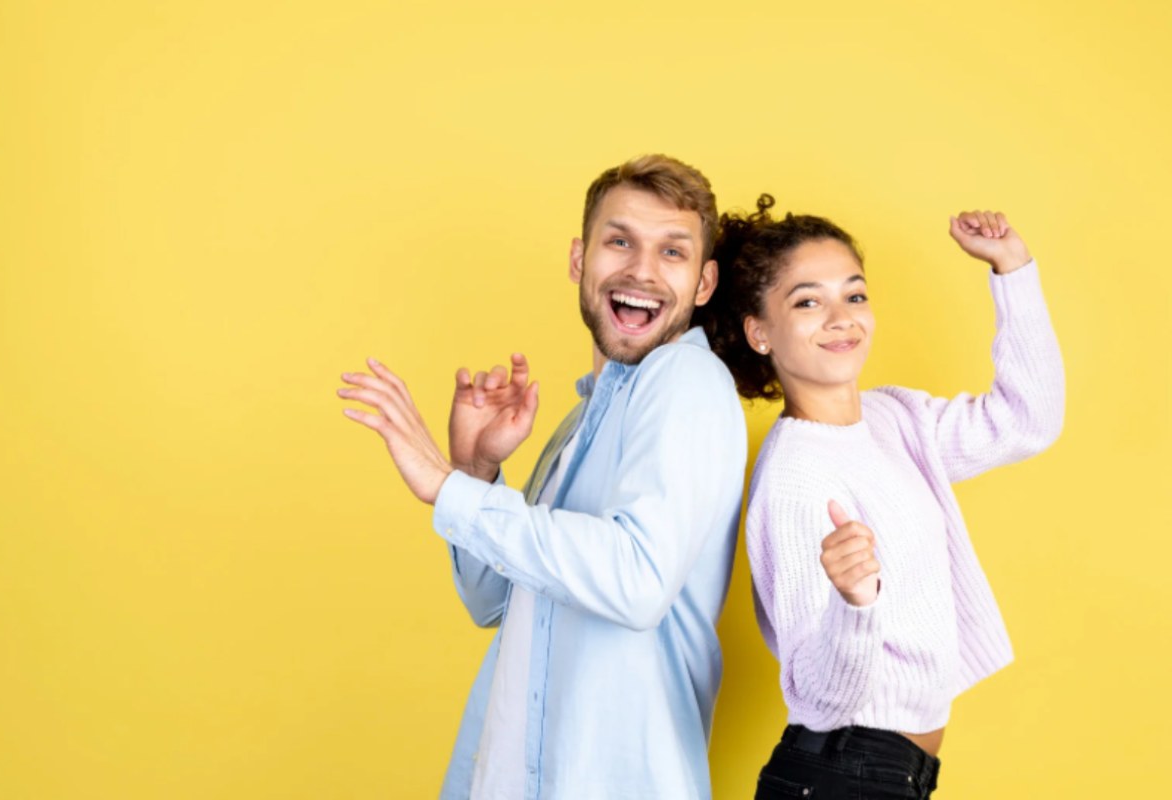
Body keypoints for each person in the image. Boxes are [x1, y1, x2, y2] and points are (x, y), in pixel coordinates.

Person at [337, 155, 747, 799]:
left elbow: (637, 582)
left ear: (703, 283)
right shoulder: (584, 419)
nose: (641, 270)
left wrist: (448, 488)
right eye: (620, 242)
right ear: (579, 260)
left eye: (673, 251)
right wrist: (479, 470)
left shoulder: (685, 379)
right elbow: (492, 601)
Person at [695, 196, 1064, 798]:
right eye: (808, 301)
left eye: (855, 294)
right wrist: (854, 605)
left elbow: (1027, 423)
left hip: (885, 774)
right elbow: (818, 698)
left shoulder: (895, 418)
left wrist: (1013, 269)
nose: (841, 317)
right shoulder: (794, 475)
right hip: (842, 775)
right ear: (759, 333)